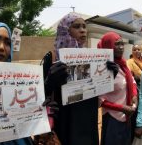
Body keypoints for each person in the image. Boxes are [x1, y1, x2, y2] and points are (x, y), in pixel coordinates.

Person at [45, 13, 118, 145]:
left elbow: (96, 87)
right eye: (77, 26)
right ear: (65, 30)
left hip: (87, 119)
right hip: (66, 121)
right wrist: (50, 82)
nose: (83, 30)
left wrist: (110, 75)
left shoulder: (92, 56)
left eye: (84, 26)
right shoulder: (52, 57)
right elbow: (41, 94)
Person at [97, 31, 137, 145]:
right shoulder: (101, 68)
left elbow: (132, 82)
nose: (121, 47)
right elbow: (99, 100)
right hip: (112, 119)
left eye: (122, 44)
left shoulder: (123, 65)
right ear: (108, 46)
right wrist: (121, 108)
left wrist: (134, 96)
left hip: (127, 116)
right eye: (116, 44)